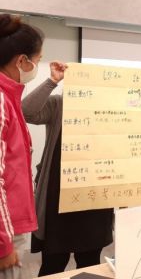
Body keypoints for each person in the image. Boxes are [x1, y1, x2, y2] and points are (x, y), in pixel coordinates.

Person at [22, 61, 114, 276]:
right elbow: (25, 112)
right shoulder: (59, 104)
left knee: (89, 263)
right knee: (53, 264)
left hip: (94, 199)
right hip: (58, 200)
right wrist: (52, 81)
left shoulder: (109, 111)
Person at [0, 14, 44, 278]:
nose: (36, 67)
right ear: (21, 61)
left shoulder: (9, 96)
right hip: (5, 229)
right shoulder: (1, 100)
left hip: (11, 223)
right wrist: (4, 242)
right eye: (37, 60)